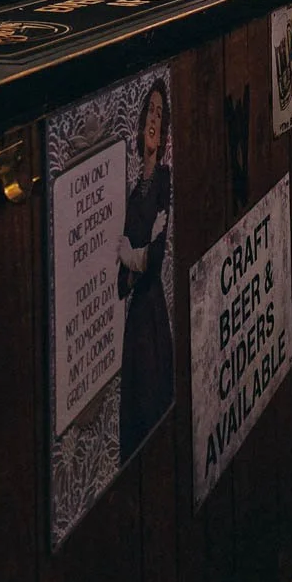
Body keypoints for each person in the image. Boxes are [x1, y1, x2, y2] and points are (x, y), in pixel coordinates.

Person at [117, 78, 174, 462]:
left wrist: (131, 257)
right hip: (136, 313)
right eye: (149, 112)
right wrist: (132, 261)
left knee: (154, 399)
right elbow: (122, 284)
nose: (153, 119)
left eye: (159, 113)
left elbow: (154, 257)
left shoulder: (163, 181)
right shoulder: (134, 190)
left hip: (152, 309)